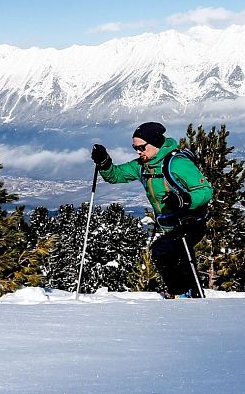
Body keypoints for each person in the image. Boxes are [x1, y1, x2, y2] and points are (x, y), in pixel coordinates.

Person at [90, 122, 212, 298]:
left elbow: (206, 191)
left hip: (191, 221)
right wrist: (104, 162)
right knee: (179, 260)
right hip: (170, 224)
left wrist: (184, 200)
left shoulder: (177, 164)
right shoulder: (142, 166)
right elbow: (116, 175)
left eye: (141, 147)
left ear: (155, 143)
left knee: (162, 250)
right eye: (135, 148)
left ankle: (180, 294)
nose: (138, 152)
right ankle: (190, 295)